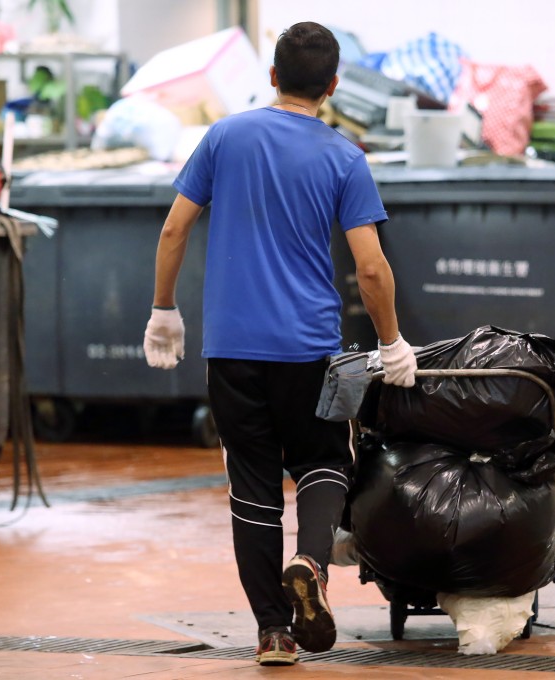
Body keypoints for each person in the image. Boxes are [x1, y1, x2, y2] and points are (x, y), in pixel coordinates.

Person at [142, 21, 417, 667]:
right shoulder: (344, 156)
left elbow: (174, 229)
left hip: (232, 351)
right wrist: (392, 342)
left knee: (253, 488)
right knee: (325, 462)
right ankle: (310, 561)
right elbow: (370, 268)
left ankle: (273, 633)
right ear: (332, 86)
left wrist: (163, 310)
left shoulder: (224, 137)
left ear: (270, 76)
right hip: (310, 349)